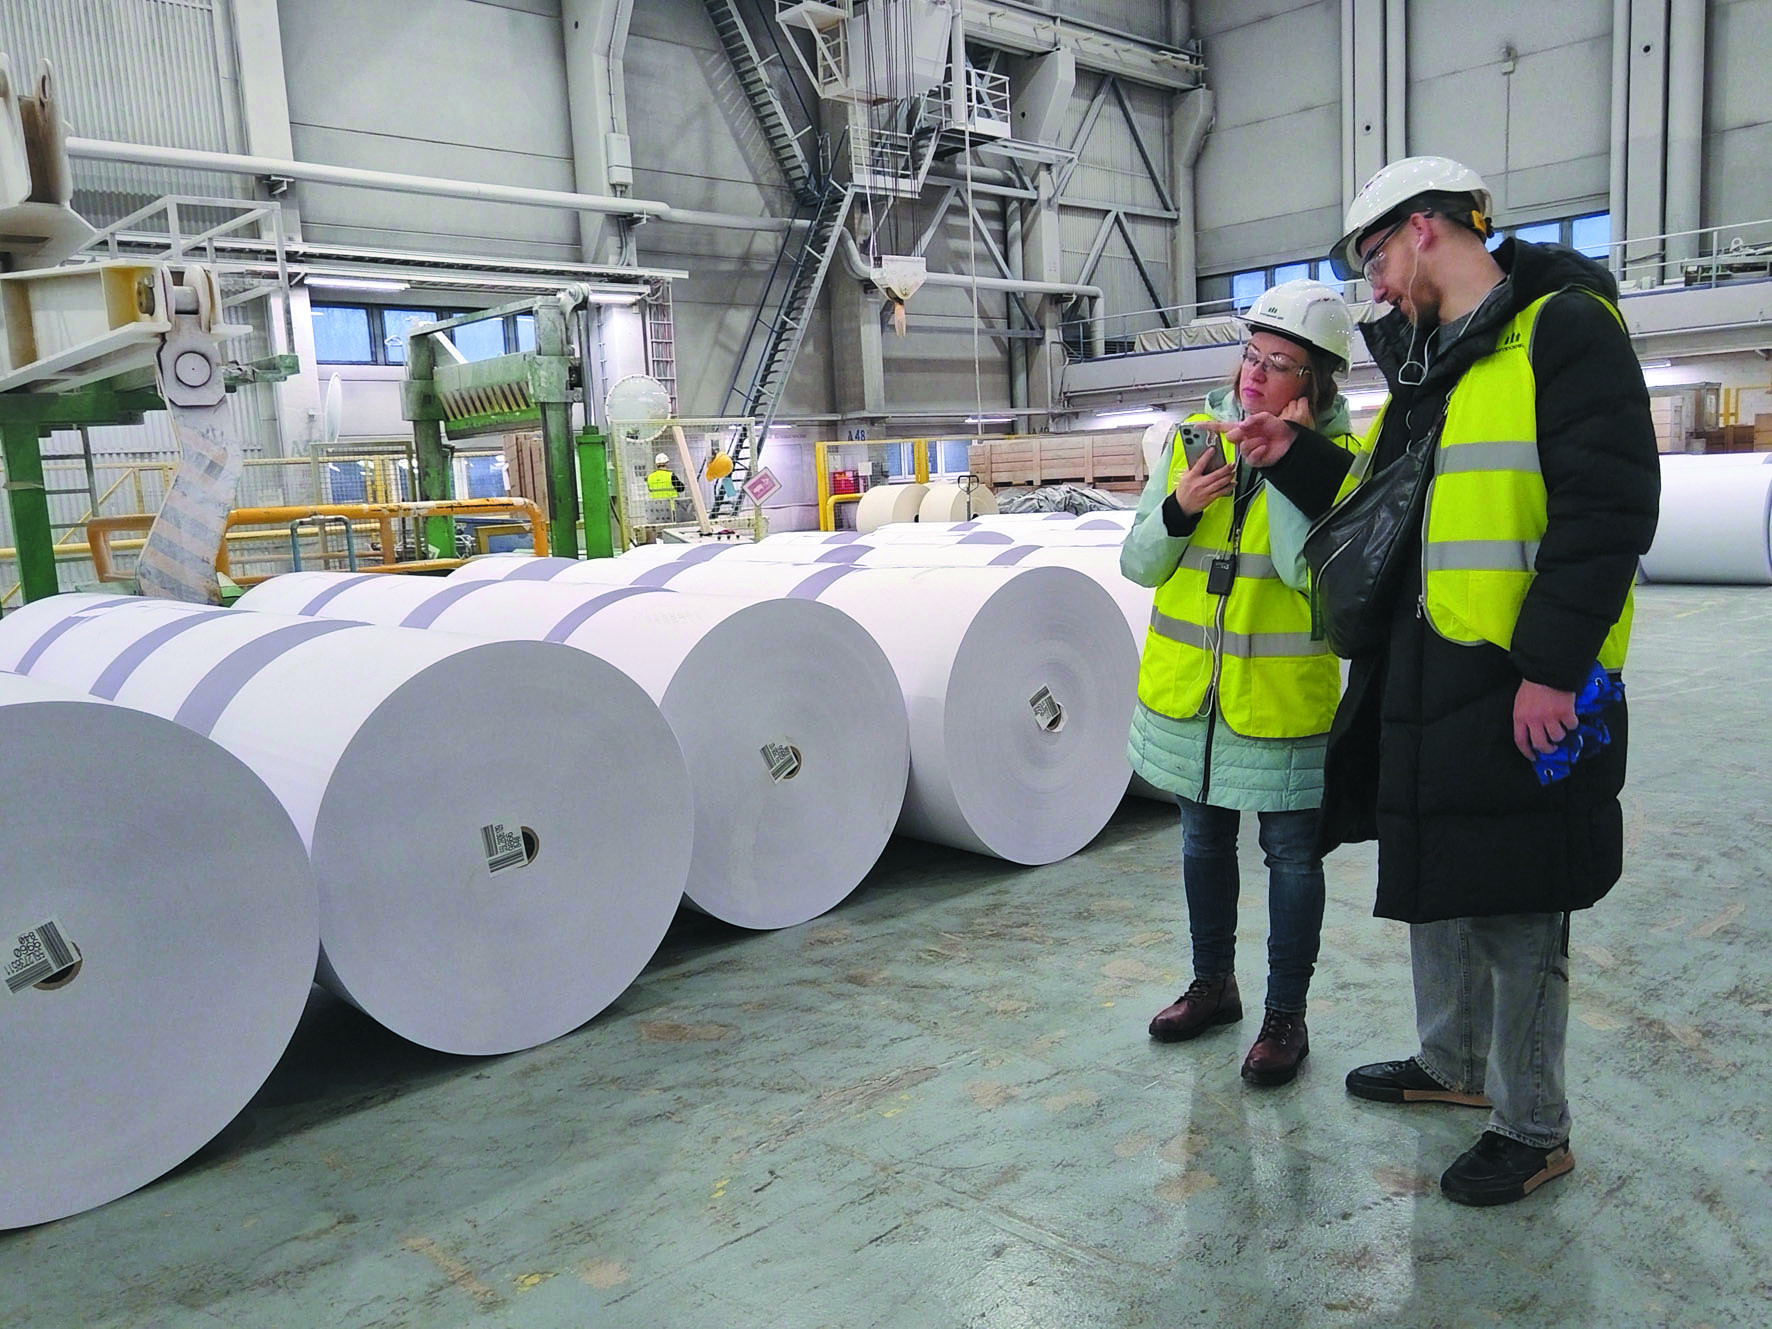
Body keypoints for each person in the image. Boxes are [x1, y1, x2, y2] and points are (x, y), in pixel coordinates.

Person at [1220, 156, 1659, 1204]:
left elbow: (1607, 510)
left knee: (1517, 903)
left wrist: (1552, 669)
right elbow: (1384, 504)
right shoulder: (1431, 365)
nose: (1372, 286)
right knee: (1443, 883)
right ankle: (1451, 1063)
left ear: (1422, 228)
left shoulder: (1561, 330)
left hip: (1519, 678)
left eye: (1374, 259)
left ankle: (1532, 1126)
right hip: (1426, 672)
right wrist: (1289, 452)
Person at [1121, 279, 1365, 1087]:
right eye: (1251, 355)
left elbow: (1307, 574)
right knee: (1202, 842)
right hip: (1194, 699)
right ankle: (1212, 985)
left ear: (1314, 382)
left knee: (1291, 858)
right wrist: (1180, 508)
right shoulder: (1192, 440)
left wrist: (1291, 464)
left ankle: (1285, 1015)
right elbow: (1139, 563)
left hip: (1280, 703)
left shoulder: (1344, 462)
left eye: (1279, 363)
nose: (1254, 374)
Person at [646, 451, 685, 516]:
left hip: (656, 509)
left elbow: (649, 489)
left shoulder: (650, 477)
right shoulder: (670, 475)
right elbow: (681, 488)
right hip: (671, 508)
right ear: (666, 463)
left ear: (656, 465)